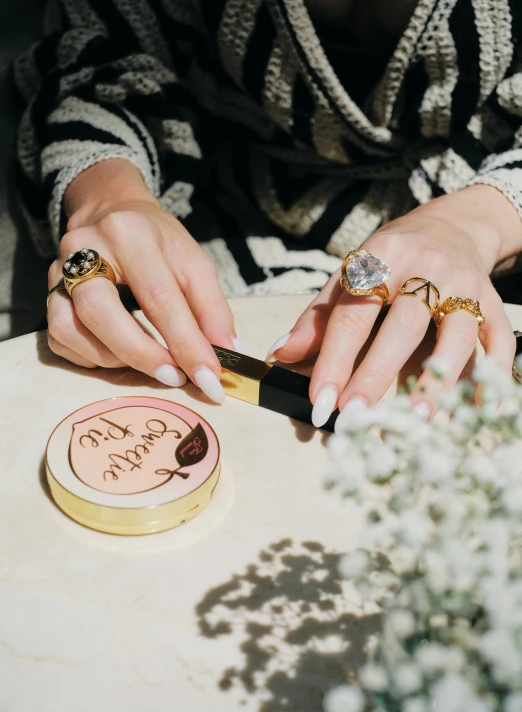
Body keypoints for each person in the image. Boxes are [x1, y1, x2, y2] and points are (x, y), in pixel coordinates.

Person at [15, 0, 522, 429]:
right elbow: (103, 48)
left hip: (484, 248)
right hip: (214, 220)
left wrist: (477, 220)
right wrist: (108, 196)